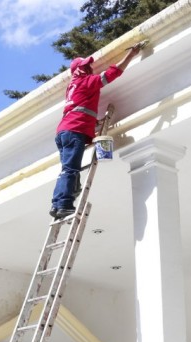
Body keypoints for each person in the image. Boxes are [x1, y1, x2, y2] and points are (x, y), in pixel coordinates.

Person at [50, 42, 146, 220]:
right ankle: (63, 204)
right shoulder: (85, 82)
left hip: (65, 130)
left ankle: (57, 204)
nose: (89, 68)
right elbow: (112, 73)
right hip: (74, 130)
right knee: (71, 169)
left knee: (67, 169)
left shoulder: (72, 86)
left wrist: (93, 124)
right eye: (86, 66)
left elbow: (82, 109)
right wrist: (131, 54)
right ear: (79, 70)